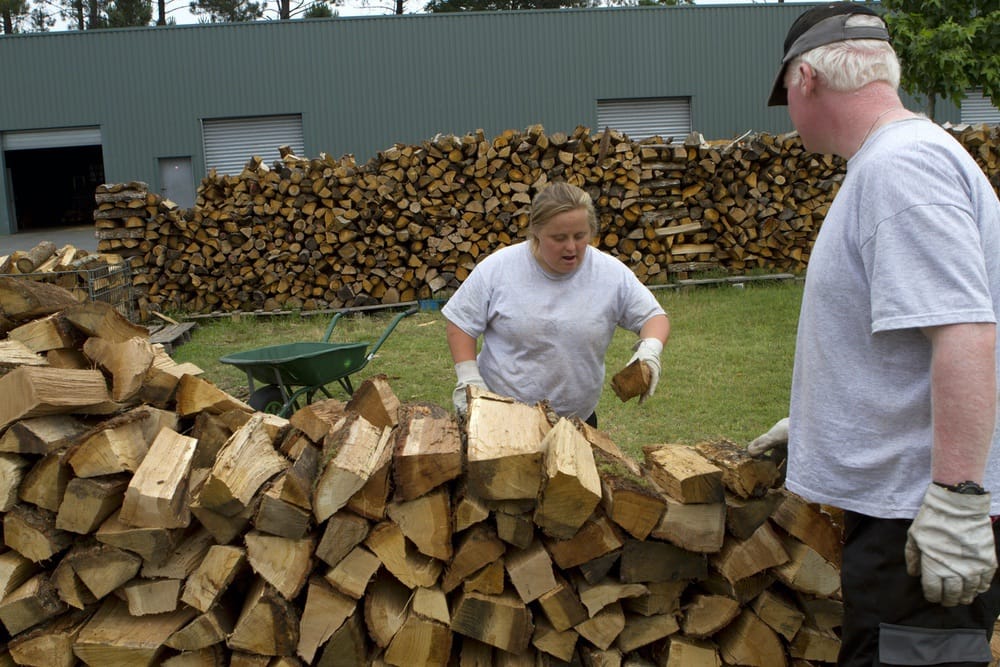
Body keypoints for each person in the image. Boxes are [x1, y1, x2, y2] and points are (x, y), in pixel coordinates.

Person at [750, 3, 1000, 665]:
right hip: (904, 506)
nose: (791, 115)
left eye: (787, 97)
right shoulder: (895, 160)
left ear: (806, 78)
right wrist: (820, 421)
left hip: (919, 519)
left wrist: (957, 501)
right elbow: (903, 341)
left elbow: (965, 333)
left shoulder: (902, 167)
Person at [441, 181, 670, 426]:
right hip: (502, 419)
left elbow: (653, 317)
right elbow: (461, 323)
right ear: (536, 232)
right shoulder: (498, 269)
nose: (571, 247)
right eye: (559, 238)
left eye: (580, 236)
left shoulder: (610, 273)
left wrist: (650, 350)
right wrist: (468, 377)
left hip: (576, 420)